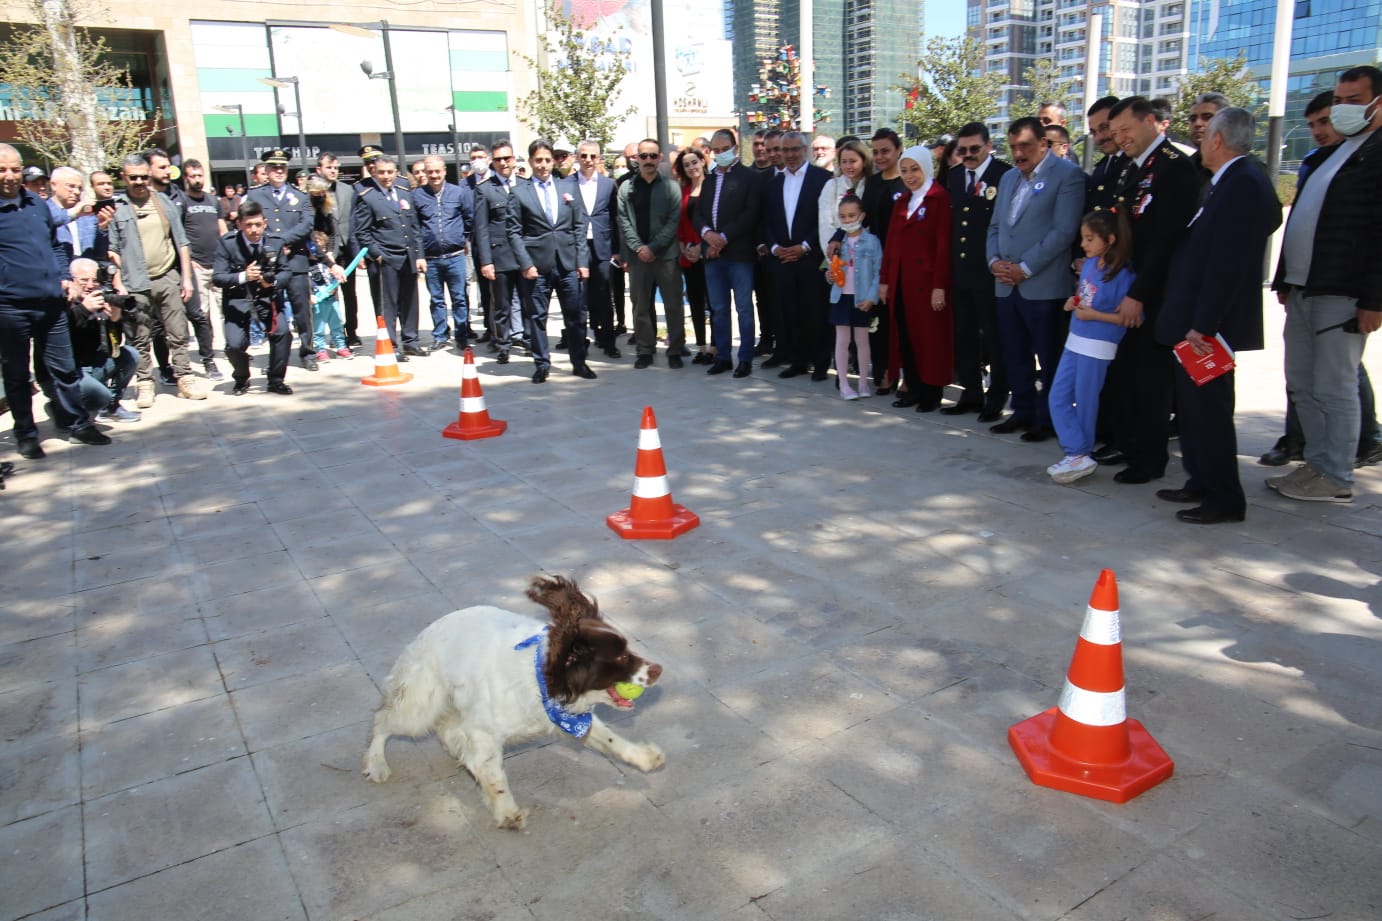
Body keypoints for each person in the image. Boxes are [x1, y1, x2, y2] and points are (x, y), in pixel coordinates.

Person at [1152, 107, 1282, 522]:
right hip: (1194, 319)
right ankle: (1201, 480)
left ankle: (1225, 497)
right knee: (1193, 409)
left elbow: (1226, 263)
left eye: (1206, 134)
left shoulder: (1243, 182)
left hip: (1206, 326)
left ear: (1220, 140)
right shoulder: (1229, 181)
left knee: (1209, 411)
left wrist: (1204, 324)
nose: (1201, 140)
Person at [1267, 65, 1382, 504]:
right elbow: (1301, 219)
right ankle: (1316, 463)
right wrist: (1282, 277)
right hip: (1302, 288)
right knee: (1302, 381)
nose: (1342, 109)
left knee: (1335, 385)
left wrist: (1373, 299)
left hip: (1343, 293)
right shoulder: (1335, 154)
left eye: (1354, 100)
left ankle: (1337, 474)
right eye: (1340, 100)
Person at [1099, 96, 1200, 482]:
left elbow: (1166, 243)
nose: (1120, 138)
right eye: (1116, 131)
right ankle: (1133, 448)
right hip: (1130, 288)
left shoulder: (1175, 169)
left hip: (1157, 295)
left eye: (1127, 129)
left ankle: (1150, 460)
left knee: (1152, 381)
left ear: (1154, 123)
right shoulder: (1133, 169)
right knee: (1130, 377)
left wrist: (1138, 294)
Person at [0, 144, 110, 457]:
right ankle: (26, 434)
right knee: (18, 374)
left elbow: (54, 246)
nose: (9, 176)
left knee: (65, 368)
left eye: (14, 169)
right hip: (11, 307)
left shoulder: (37, 204)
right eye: (2, 169)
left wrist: (65, 277)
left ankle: (78, 424)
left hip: (51, 301)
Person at [985, 117, 1086, 437]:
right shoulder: (1009, 178)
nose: (1018, 153)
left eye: (1025, 146)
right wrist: (993, 262)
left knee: (1050, 358)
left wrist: (1025, 268)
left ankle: (1049, 419)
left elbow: (1063, 231)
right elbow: (996, 227)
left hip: (1043, 286)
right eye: (1013, 147)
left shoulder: (1068, 176)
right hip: (1005, 285)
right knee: (1015, 355)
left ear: (1044, 144)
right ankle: (1022, 411)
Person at [107, 153, 205, 405]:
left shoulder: (163, 202)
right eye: (133, 178)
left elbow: (181, 242)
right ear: (124, 178)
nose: (139, 181)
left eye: (143, 176)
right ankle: (145, 382)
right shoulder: (117, 207)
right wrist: (119, 279)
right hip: (135, 282)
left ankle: (184, 378)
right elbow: (112, 249)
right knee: (140, 335)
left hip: (166, 276)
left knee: (178, 331)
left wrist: (186, 278)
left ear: (148, 175)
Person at [1047, 211, 1134, 484]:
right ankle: (1078, 451)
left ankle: (1078, 455)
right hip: (1075, 339)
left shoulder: (1123, 274)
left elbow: (1129, 318)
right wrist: (1073, 303)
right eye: (1083, 238)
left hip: (1098, 344)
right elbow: (1085, 294)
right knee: (1057, 396)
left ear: (1109, 239)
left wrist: (1095, 316)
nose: (1083, 244)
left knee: (1086, 403)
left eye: (1089, 239)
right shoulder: (1089, 265)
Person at [504, 138, 594, 383]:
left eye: (547, 160)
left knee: (575, 316)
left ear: (553, 160)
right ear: (531, 162)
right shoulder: (519, 192)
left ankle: (579, 362)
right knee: (537, 317)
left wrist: (582, 262)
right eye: (538, 160)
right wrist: (525, 264)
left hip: (568, 264)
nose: (543, 165)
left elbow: (579, 227)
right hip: (537, 266)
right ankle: (542, 363)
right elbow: (514, 231)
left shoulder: (568, 188)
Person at [945, 121, 1012, 419]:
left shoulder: (1004, 174)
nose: (969, 154)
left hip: (990, 272)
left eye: (975, 148)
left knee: (996, 339)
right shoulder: (955, 176)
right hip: (961, 272)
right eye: (963, 149)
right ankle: (971, 393)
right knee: (965, 335)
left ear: (988, 146)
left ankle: (996, 398)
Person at [878, 145, 953, 412]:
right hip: (901, 282)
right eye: (905, 170)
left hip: (927, 283)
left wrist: (939, 286)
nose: (910, 176)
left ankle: (931, 394)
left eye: (915, 170)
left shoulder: (939, 198)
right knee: (906, 338)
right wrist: (885, 280)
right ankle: (912, 387)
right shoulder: (902, 201)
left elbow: (943, 246)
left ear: (927, 168)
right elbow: (891, 244)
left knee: (929, 340)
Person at [762, 131, 833, 381]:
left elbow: (826, 220)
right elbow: (766, 222)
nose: (790, 155)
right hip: (782, 259)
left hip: (810, 258)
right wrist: (774, 248)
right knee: (789, 312)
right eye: (786, 150)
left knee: (815, 311)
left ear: (804, 150)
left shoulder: (823, 179)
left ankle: (821, 362)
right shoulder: (773, 185)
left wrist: (805, 245)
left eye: (795, 149)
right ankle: (797, 361)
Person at [694, 128, 763, 378]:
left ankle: (744, 358)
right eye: (716, 150)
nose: (720, 154)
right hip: (713, 256)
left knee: (744, 308)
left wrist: (722, 238)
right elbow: (699, 212)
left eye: (725, 149)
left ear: (735, 148)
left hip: (739, 254)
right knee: (719, 309)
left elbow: (750, 214)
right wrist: (706, 234)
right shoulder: (710, 178)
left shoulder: (749, 178)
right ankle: (723, 356)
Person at [245, 148, 318, 370]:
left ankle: (308, 352)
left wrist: (283, 240)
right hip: (269, 263)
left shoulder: (301, 196)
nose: (279, 170)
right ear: (266, 171)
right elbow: (249, 223)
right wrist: (274, 247)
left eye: (282, 167)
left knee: (302, 310)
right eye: (274, 167)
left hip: (296, 261)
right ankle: (277, 354)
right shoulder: (255, 195)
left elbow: (306, 225)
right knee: (272, 311)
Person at [617, 138, 685, 369]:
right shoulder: (626, 188)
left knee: (673, 304)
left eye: (652, 156)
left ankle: (675, 349)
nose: (648, 160)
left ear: (660, 158)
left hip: (665, 256)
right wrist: (639, 248)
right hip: (638, 258)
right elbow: (624, 221)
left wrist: (653, 247)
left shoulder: (671, 187)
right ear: (636, 158)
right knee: (641, 305)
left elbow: (673, 222)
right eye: (643, 156)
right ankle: (645, 349)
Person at [212, 200, 292, 395]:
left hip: (267, 298)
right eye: (248, 225)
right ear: (239, 224)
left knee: (283, 333)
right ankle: (241, 377)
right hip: (237, 300)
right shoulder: (228, 243)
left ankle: (276, 379)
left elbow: (286, 272)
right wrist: (242, 277)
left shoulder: (275, 241)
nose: (254, 230)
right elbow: (217, 277)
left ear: (265, 223)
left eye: (258, 224)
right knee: (233, 345)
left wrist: (271, 282)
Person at [352, 155, 428, 358]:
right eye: (382, 172)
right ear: (374, 173)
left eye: (390, 172)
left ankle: (411, 340)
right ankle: (391, 345)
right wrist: (377, 255)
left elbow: (414, 227)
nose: (386, 176)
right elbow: (363, 232)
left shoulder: (404, 193)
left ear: (396, 172)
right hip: (386, 259)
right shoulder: (367, 197)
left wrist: (419, 254)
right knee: (388, 304)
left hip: (408, 256)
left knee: (410, 301)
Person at [66, 257, 140, 422]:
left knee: (131, 355)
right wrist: (84, 309)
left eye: (95, 280)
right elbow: (66, 333)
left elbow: (116, 343)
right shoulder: (66, 302)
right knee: (100, 396)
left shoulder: (99, 298)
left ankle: (111, 406)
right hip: (75, 370)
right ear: (72, 281)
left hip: (97, 364)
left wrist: (114, 317)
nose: (90, 285)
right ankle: (61, 407)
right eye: (84, 280)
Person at [413, 153, 474, 351]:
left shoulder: (458, 193)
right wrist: (419, 255)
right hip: (431, 259)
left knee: (459, 297)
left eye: (437, 171)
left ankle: (462, 335)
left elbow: (469, 219)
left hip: (455, 256)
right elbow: (415, 227)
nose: (434, 175)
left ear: (444, 171)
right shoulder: (417, 196)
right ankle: (440, 335)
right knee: (437, 299)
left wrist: (461, 238)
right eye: (430, 172)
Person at [473, 139, 526, 365]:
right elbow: (481, 229)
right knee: (502, 306)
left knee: (529, 302)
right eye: (498, 159)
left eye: (507, 158)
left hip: (525, 256)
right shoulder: (484, 190)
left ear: (514, 159)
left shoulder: (526, 185)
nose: (503, 163)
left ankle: (529, 338)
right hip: (500, 256)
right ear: (492, 162)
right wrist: (486, 261)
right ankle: (503, 344)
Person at [828, 194, 881, 400]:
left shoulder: (872, 241)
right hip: (841, 296)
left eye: (852, 215)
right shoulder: (836, 242)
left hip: (862, 297)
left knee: (862, 339)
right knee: (842, 340)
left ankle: (862, 383)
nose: (848, 220)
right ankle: (843, 384)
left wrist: (872, 297)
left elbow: (879, 271)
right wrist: (829, 274)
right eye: (843, 216)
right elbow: (829, 270)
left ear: (862, 215)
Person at [572, 140, 622, 358]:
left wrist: (617, 250)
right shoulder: (567, 184)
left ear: (599, 159)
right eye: (584, 156)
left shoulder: (608, 185)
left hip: (602, 247)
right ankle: (582, 339)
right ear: (577, 158)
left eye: (593, 156)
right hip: (578, 247)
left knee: (604, 295)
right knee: (580, 296)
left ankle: (609, 341)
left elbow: (615, 218)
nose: (588, 160)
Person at [179, 159, 227, 381]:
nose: (197, 180)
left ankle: (233, 348)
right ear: (185, 178)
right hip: (196, 266)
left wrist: (228, 253)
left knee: (226, 308)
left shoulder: (213, 201)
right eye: (193, 176)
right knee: (202, 315)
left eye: (200, 175)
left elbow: (222, 228)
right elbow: (179, 237)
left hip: (218, 264)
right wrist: (188, 264)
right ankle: (208, 359)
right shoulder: (181, 202)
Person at [314, 152, 359, 348]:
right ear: (319, 170)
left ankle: (351, 331)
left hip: (347, 247)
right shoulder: (315, 192)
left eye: (335, 168)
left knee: (350, 293)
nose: (333, 171)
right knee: (329, 294)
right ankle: (334, 333)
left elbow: (354, 220)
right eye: (328, 167)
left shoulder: (348, 190)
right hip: (325, 251)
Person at [305, 177, 350, 360]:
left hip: (327, 258)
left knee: (334, 311)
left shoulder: (326, 211)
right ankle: (318, 347)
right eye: (317, 194)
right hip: (309, 260)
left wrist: (331, 254)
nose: (320, 197)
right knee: (316, 315)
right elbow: (308, 239)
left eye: (323, 193)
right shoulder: (305, 209)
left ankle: (340, 343)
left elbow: (333, 234)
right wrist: (322, 257)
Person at [674, 148, 712, 364]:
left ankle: (716, 348)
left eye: (694, 162)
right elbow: (681, 223)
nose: (691, 167)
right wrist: (684, 247)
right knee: (695, 302)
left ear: (702, 162)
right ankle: (702, 347)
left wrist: (701, 246)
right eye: (687, 164)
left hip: (710, 253)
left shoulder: (713, 188)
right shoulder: (684, 191)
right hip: (688, 255)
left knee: (715, 303)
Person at [817, 138, 872, 253]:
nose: (848, 166)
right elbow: (825, 224)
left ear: (864, 161)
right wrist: (834, 253)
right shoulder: (832, 185)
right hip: (838, 252)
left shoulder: (872, 185)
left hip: (867, 252)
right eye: (844, 161)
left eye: (853, 161)